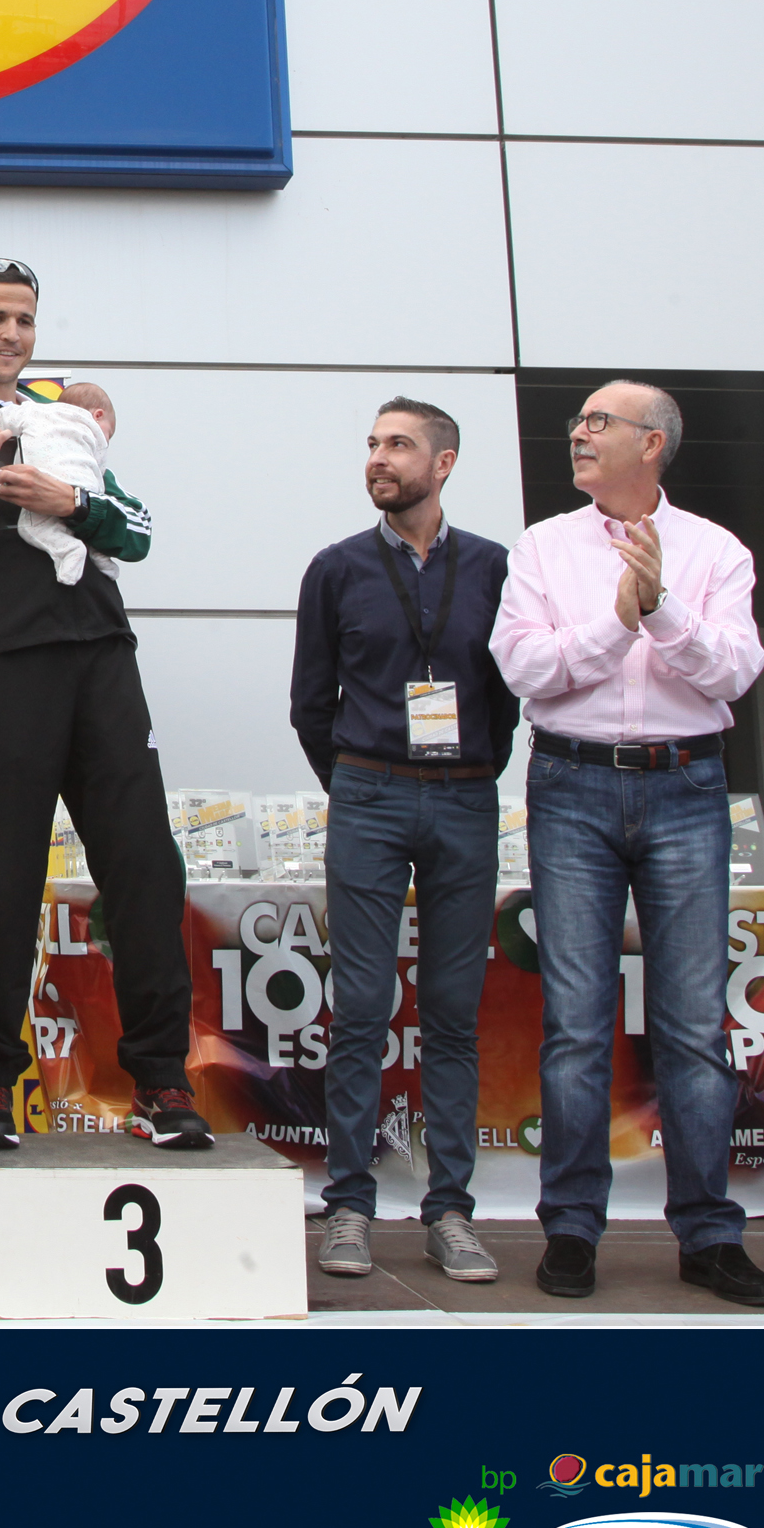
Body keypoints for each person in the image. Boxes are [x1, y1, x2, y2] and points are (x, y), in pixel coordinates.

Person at [0, 260, 205, 1148]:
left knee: (145, 867)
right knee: (3, 880)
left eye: (22, 319)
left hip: (103, 661)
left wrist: (72, 501)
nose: (10, 333)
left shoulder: (63, 420)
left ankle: (162, 1082)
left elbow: (137, 530)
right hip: (4, 666)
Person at [489, 381, 764, 1305]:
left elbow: (733, 672)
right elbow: (523, 667)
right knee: (575, 1025)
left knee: (693, 1027)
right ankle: (572, 1228)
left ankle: (707, 1233)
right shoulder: (542, 545)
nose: (577, 432)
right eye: (577, 420)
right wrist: (618, 618)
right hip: (569, 784)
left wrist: (661, 608)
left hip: (685, 785)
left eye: (598, 421)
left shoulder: (714, 550)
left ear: (652, 443)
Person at [288, 397, 521, 1285]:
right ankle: (348, 1204)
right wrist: (358, 780)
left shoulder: (496, 566)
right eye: (372, 444)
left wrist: (469, 769)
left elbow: (506, 697)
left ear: (444, 462)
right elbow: (310, 703)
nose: (378, 459)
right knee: (359, 1009)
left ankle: (449, 1212)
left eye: (398, 444)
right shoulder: (335, 568)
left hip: (465, 796)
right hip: (369, 793)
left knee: (452, 1013)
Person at [0, 381, 118, 584]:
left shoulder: (36, 411)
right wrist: (92, 496)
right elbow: (99, 472)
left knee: (32, 528)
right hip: (83, 488)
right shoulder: (95, 436)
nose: (106, 440)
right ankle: (98, 555)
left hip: (41, 480)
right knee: (87, 526)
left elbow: (4, 417)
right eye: (109, 433)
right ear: (98, 415)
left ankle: (68, 549)